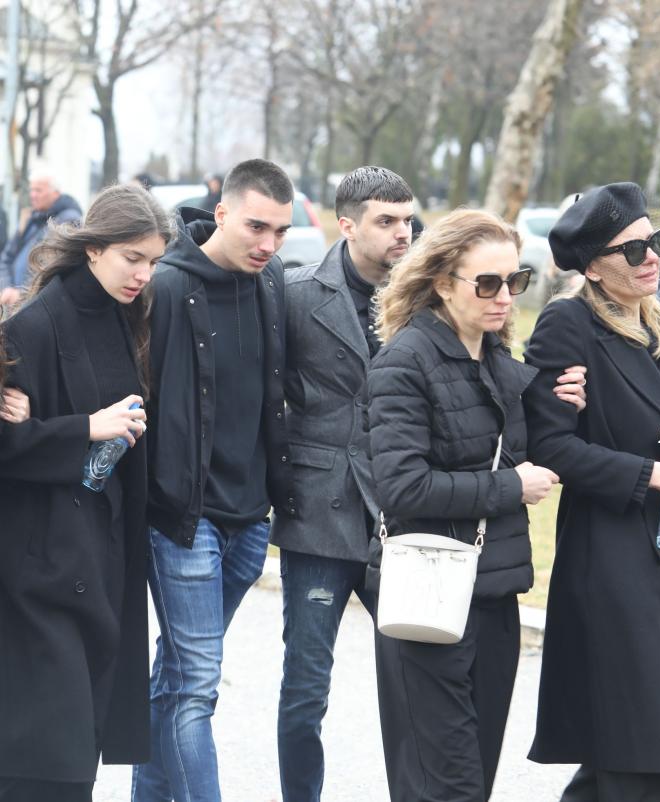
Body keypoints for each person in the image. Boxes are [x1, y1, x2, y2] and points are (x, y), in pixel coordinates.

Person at [365, 208, 583, 802]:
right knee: (446, 786)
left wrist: (565, 402)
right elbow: (402, 487)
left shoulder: (498, 360)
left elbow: (531, 448)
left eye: (515, 281)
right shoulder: (405, 361)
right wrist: (511, 488)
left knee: (475, 781)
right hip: (428, 597)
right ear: (442, 283)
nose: (505, 297)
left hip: (494, 597)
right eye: (487, 283)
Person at [0, 183, 171, 802]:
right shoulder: (33, 326)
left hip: (101, 560)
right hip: (40, 572)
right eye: (132, 257)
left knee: (73, 755)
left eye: (153, 261)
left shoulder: (128, 316)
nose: (143, 274)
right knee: (48, 761)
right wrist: (85, 428)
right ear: (94, 248)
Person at [131, 159, 295, 802]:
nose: (269, 244)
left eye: (280, 231)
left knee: (178, 676)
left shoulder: (271, 281)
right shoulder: (168, 286)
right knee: (197, 685)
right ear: (220, 213)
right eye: (257, 227)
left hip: (249, 523)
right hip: (183, 519)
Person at [523, 182, 660, 802]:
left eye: (656, 241)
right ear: (592, 268)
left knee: (631, 751)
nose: (652, 258)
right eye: (633, 250)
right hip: (611, 558)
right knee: (640, 748)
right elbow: (551, 445)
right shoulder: (569, 323)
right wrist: (656, 475)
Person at [270, 165, 414, 802]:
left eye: (407, 219)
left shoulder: (427, 296)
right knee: (305, 691)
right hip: (317, 514)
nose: (402, 233)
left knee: (418, 680)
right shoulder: (295, 293)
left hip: (402, 510)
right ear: (347, 224)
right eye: (386, 221)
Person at [0, 168, 82, 306]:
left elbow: (56, 270)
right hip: (14, 302)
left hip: (38, 305)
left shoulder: (68, 221)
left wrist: (23, 294)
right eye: (31, 190)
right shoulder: (30, 217)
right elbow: (7, 257)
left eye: (38, 190)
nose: (32, 195)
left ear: (55, 193)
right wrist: (6, 287)